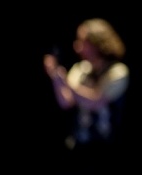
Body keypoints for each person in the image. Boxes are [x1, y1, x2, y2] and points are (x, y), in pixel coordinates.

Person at [43, 17, 130, 174]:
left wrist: (67, 83)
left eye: (82, 41)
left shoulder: (117, 72)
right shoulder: (81, 69)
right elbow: (66, 102)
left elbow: (96, 100)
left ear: (97, 43)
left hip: (106, 149)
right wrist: (56, 77)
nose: (77, 46)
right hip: (80, 145)